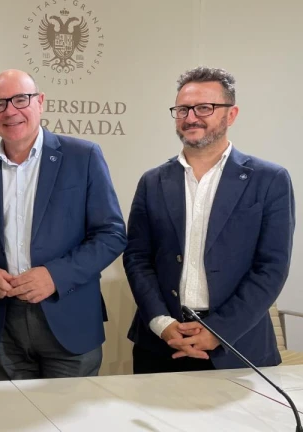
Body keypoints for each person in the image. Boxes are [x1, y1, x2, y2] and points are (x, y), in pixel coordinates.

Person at [0, 69, 126, 380]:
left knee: (70, 412)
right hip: (4, 326)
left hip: (69, 318)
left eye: (21, 99)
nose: (10, 111)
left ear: (40, 102)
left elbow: (111, 235)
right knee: (15, 411)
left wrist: (54, 276)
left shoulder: (83, 156)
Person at [123, 66, 295, 373]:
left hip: (238, 346)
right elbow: (137, 258)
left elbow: (271, 267)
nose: (191, 118)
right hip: (162, 343)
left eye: (204, 108)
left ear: (231, 114)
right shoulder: (152, 181)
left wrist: (220, 330)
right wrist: (161, 322)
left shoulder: (270, 180)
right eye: (183, 109)